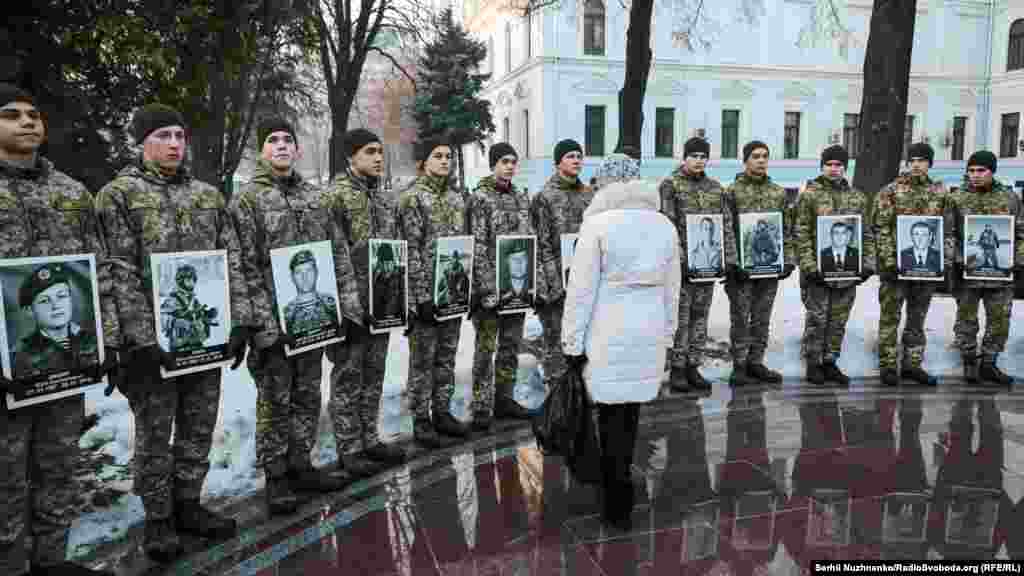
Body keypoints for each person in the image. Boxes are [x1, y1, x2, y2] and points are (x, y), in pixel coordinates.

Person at [97, 103, 252, 562]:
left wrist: (239, 318)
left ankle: (189, 505)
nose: (173, 144)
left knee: (198, 425)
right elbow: (116, 270)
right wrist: (140, 339)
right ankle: (159, 519)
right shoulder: (117, 196)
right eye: (162, 135)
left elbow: (232, 260)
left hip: (203, 336)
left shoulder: (208, 196)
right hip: (151, 347)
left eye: (179, 136)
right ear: (141, 142)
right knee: (154, 434)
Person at [0, 84, 116, 576]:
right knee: (5, 478)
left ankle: (51, 562)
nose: (27, 122)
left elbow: (100, 270)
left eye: (34, 114)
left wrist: (105, 340)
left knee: (58, 466)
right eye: (11, 115)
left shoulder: (72, 194)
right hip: (5, 370)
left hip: (64, 363)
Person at [230, 118, 363, 517]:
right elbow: (243, 266)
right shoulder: (247, 201)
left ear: (297, 149)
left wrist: (348, 309)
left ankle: (301, 464)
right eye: (273, 141)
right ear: (260, 150)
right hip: (274, 325)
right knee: (275, 399)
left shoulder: (316, 197)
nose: (282, 146)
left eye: (288, 140)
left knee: (308, 393)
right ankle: (276, 477)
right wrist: (264, 329)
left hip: (315, 320)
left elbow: (338, 254)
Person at [562, 163, 681, 532]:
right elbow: (672, 289)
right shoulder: (664, 225)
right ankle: (622, 483)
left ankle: (615, 492)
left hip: (608, 329)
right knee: (629, 413)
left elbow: (581, 291)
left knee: (610, 413)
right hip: (647, 328)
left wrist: (571, 341)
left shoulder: (597, 225)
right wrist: (668, 334)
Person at [323, 129, 407, 477]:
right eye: (370, 152)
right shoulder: (334, 198)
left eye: (380, 152)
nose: (377, 158)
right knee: (348, 376)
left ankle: (370, 438)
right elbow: (331, 254)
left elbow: (395, 247)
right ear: (350, 157)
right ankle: (349, 447)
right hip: (351, 308)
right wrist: (345, 308)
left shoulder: (386, 199)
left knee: (374, 373)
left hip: (382, 304)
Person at [398, 138, 472, 446]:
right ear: (424, 161)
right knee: (422, 360)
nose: (445, 160)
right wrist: (420, 296)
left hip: (451, 292)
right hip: (425, 297)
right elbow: (410, 249)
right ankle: (421, 419)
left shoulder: (457, 199)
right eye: (438, 155)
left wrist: (464, 287)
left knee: (447, 355)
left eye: (448, 155)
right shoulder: (412, 199)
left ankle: (442, 411)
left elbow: (464, 245)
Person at [468, 142, 539, 431]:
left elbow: (529, 240)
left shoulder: (522, 198)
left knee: (510, 344)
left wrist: (530, 285)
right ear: (493, 164)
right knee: (485, 348)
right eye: (504, 161)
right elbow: (478, 246)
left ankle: (504, 398)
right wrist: (487, 290)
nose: (509, 166)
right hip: (490, 291)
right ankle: (482, 405)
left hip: (516, 287)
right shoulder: (480, 199)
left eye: (513, 161)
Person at [796, 145, 875, 386]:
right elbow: (801, 232)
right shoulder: (809, 195)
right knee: (817, 318)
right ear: (822, 166)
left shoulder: (857, 198)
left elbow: (866, 234)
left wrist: (868, 265)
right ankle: (813, 362)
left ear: (844, 168)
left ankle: (830, 361)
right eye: (829, 164)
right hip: (818, 273)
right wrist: (810, 267)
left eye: (838, 165)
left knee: (838, 319)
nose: (833, 169)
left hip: (846, 273)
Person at [945, 150, 1024, 386]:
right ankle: (969, 362)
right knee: (966, 319)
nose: (975, 175)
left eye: (981, 170)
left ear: (992, 171)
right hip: (968, 272)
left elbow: (1021, 233)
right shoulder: (956, 199)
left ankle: (989, 362)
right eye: (971, 170)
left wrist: (1017, 260)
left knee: (999, 319)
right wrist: (957, 259)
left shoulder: (1009, 199)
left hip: (1001, 273)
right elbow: (948, 234)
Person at [722, 141, 796, 386]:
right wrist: (733, 263)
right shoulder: (732, 192)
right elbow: (727, 229)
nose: (761, 160)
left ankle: (756, 361)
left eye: (765, 156)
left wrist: (787, 260)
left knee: (762, 317)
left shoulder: (778, 192)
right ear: (745, 161)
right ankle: (740, 365)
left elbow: (786, 229)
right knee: (741, 318)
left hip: (768, 269)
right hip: (742, 271)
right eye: (755, 156)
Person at [875, 142, 948, 388]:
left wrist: (942, 262)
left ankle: (912, 365)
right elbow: (880, 228)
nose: (917, 164)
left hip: (925, 270)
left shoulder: (940, 192)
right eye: (913, 160)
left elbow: (946, 230)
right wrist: (888, 260)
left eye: (922, 160)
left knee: (917, 318)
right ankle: (887, 365)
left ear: (930, 164)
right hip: (895, 270)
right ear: (907, 163)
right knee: (890, 318)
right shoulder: (891, 191)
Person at [530, 139, 594, 395]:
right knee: (555, 341)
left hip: (584, 280)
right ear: (558, 162)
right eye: (570, 156)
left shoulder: (589, 195)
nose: (576, 160)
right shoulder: (544, 197)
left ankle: (580, 392)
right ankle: (557, 397)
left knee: (583, 339)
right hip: (556, 283)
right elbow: (541, 244)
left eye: (579, 156)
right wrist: (551, 286)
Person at [659, 137, 721, 393]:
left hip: (706, 265)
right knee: (680, 318)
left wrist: (723, 259)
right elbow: (667, 225)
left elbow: (721, 224)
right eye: (694, 155)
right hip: (682, 267)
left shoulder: (715, 188)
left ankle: (693, 365)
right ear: (684, 157)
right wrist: (679, 260)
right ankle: (677, 368)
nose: (699, 160)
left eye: (703, 156)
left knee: (700, 316)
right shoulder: (670, 185)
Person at [13, 263, 100, 379]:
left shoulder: (93, 339)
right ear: (29, 310)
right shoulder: (21, 354)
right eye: (44, 301)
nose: (56, 306)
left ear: (70, 300)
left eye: (61, 296)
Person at [160, 264, 218, 352]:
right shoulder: (172, 299)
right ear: (180, 281)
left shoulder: (194, 300)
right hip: (180, 347)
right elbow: (163, 322)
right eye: (188, 279)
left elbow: (198, 316)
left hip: (197, 343)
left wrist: (208, 314)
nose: (192, 282)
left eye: (193, 280)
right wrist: (179, 321)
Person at [282, 249, 339, 335]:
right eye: (298, 272)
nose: (304, 277)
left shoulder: (331, 304)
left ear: (316, 272)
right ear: (292, 277)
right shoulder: (287, 314)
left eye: (309, 270)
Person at [371, 242, 405, 322]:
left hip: (396, 319)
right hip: (378, 319)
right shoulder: (375, 277)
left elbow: (403, 295)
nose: (385, 267)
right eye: (382, 263)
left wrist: (406, 312)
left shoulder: (400, 277)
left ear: (393, 262)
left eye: (388, 263)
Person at [498, 238, 533, 305]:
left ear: (527, 261)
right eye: (514, 259)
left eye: (523, 258)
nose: (519, 263)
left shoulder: (533, 283)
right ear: (508, 262)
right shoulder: (500, 285)